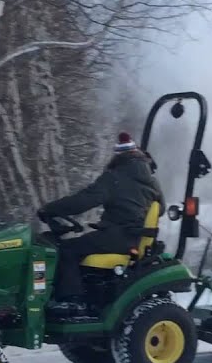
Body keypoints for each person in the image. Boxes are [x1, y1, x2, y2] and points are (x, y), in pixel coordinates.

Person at [38, 131, 165, 314]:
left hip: (118, 236)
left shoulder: (114, 177)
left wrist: (50, 209)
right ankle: (86, 298)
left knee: (67, 250)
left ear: (118, 156)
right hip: (135, 238)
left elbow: (84, 200)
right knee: (80, 245)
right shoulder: (152, 182)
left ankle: (72, 301)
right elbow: (160, 208)